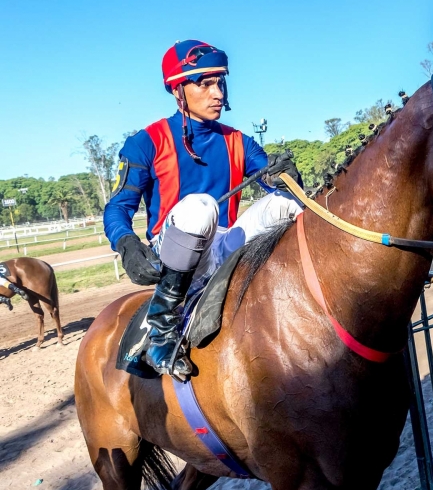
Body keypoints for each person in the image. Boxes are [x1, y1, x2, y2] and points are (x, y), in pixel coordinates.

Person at [104, 40, 302, 377]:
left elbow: (270, 182)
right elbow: (117, 208)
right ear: (178, 90)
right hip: (175, 251)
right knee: (202, 206)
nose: (218, 94)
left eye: (220, 82)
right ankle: (162, 331)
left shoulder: (240, 140)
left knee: (289, 202)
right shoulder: (145, 142)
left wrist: (283, 176)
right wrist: (125, 243)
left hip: (227, 245)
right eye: (205, 83)